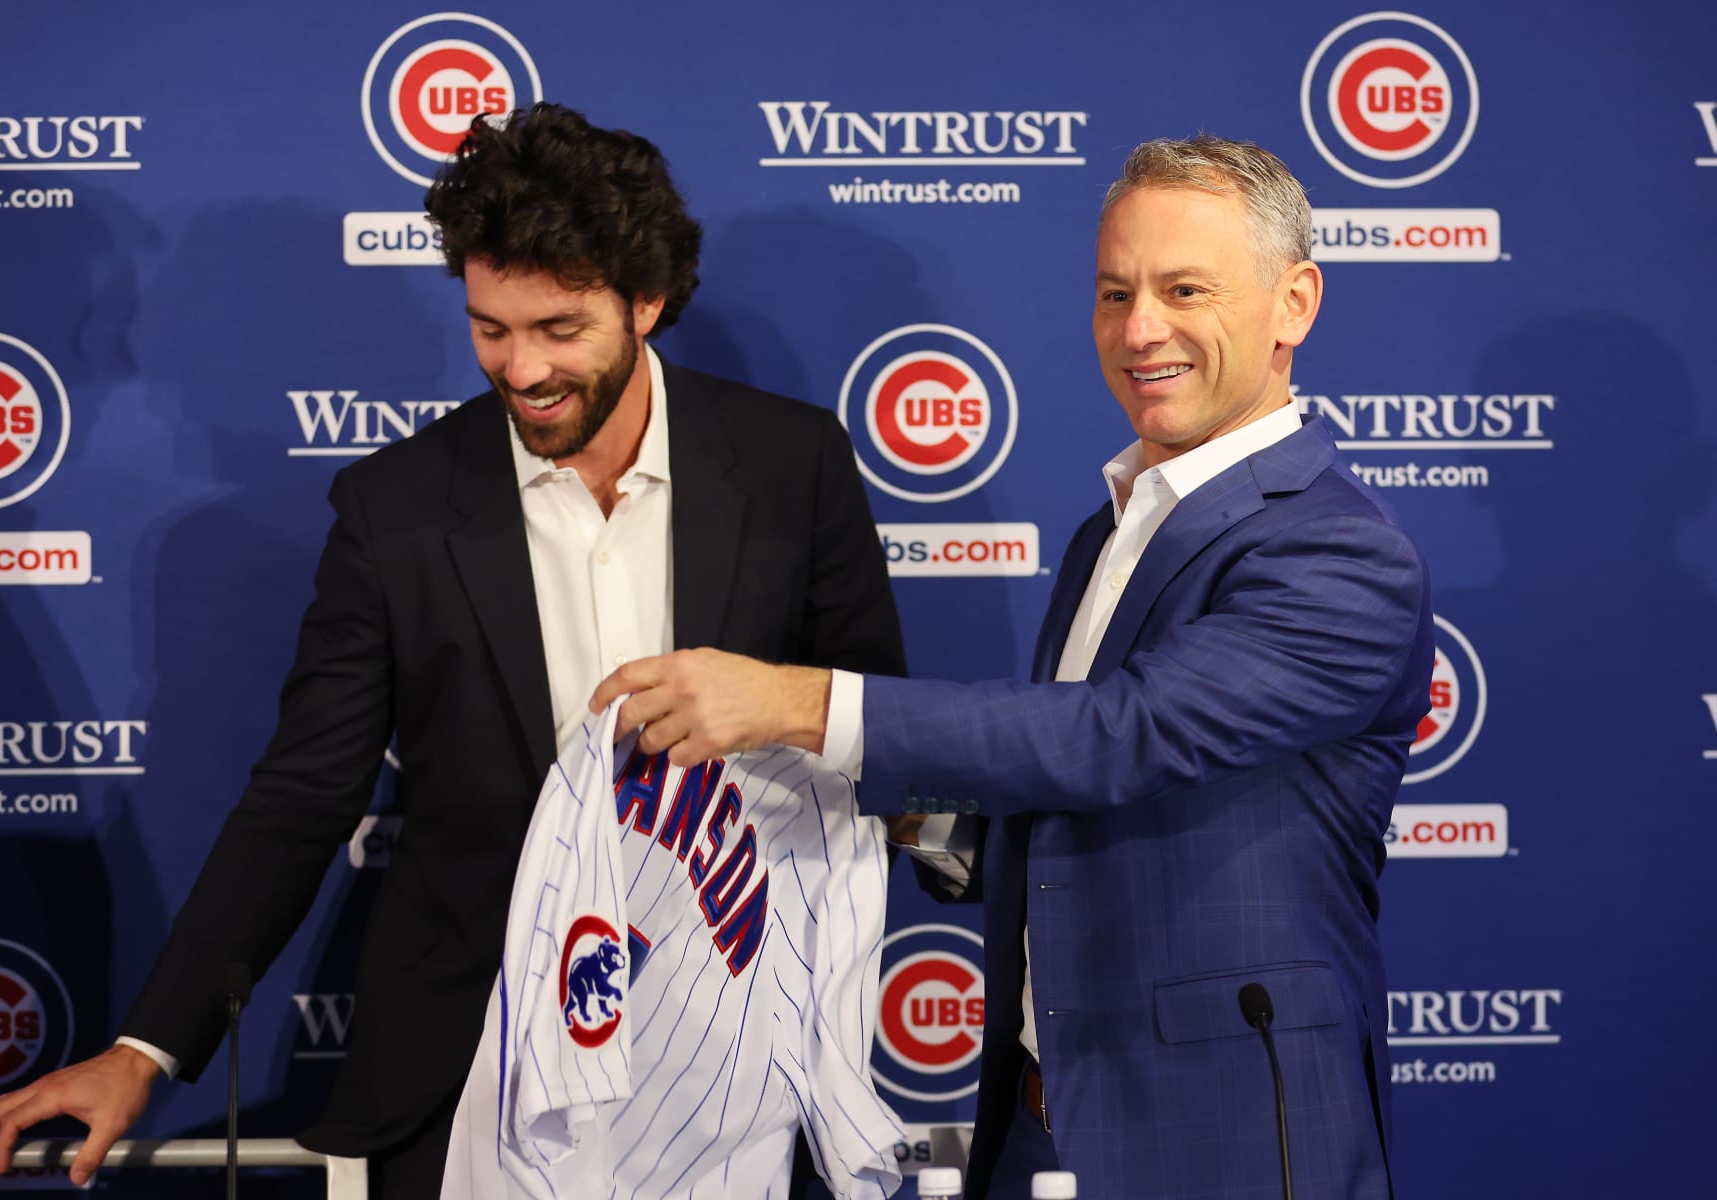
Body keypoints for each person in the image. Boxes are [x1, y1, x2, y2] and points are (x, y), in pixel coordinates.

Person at [0, 102, 905, 1196]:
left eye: (560, 329)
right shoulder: (393, 508)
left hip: (728, 1058)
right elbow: (301, 798)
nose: (521, 368)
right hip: (467, 1071)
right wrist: (144, 1051)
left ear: (646, 301)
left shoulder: (794, 464)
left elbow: (873, 721)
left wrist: (784, 712)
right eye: (490, 327)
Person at [592, 134, 1433, 1199]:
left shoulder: (1339, 551)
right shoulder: (1109, 532)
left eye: (1184, 289)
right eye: (1114, 292)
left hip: (1224, 1139)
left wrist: (799, 702)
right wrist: (842, 804)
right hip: (1039, 1119)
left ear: (1294, 304)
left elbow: (1123, 737)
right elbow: (1050, 821)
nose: (1141, 330)